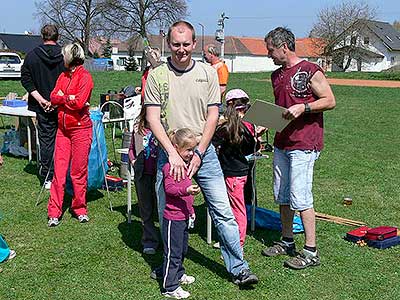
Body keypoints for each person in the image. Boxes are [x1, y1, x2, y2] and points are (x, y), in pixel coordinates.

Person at [145, 20, 258, 286]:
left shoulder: (208, 73)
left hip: (203, 155)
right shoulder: (157, 75)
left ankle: (239, 268)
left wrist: (199, 152)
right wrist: (172, 153)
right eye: (176, 44)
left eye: (186, 44)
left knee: (224, 212)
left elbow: (212, 115)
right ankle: (172, 266)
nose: (181, 50)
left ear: (194, 44)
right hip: (170, 155)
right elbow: (152, 118)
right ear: (168, 44)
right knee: (169, 214)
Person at [262, 27, 336, 269]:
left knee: (300, 197)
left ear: (284, 47)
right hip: (282, 142)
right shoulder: (276, 76)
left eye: (271, 50)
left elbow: (329, 100)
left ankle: (311, 251)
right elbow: (281, 110)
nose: (268, 55)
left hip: (304, 143)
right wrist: (267, 123)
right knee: (282, 195)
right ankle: (287, 241)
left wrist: (303, 108)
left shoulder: (310, 70)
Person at [47, 43, 94, 227]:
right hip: (63, 130)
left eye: (63, 55)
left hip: (81, 130)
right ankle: (54, 212)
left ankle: (79, 208)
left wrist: (63, 98)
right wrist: (69, 98)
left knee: (78, 172)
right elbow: (53, 97)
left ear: (70, 57)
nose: (61, 58)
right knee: (59, 173)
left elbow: (80, 103)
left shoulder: (85, 77)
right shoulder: (62, 76)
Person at [212, 89, 260, 250]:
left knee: (236, 210)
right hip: (239, 172)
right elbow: (252, 147)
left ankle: (237, 243)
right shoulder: (246, 126)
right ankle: (231, 239)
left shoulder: (229, 128)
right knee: (233, 208)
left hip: (232, 174)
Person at [21, 24, 65, 190]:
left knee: (46, 141)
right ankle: (61, 174)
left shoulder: (32, 56)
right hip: (61, 105)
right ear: (57, 37)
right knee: (62, 139)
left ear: (42, 37)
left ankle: (48, 176)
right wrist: (56, 101)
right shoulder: (65, 55)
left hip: (43, 106)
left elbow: (26, 79)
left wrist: (40, 100)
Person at [161, 128, 199, 299]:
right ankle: (169, 286)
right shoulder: (170, 167)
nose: (192, 154)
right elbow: (169, 189)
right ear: (176, 147)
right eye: (188, 150)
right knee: (173, 253)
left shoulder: (185, 166)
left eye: (193, 150)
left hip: (183, 217)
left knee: (182, 250)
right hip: (173, 219)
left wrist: (191, 211)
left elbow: (186, 198)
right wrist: (186, 189)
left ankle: (178, 274)